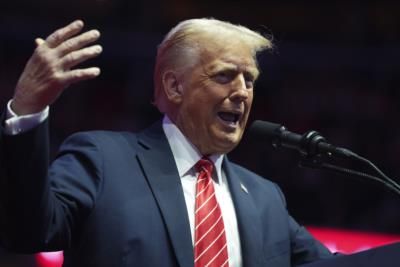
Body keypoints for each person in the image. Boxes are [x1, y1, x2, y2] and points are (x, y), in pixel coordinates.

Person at [0, 18, 333, 266]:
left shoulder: (266, 198)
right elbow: (29, 231)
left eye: (249, 80)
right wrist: (27, 110)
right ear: (175, 87)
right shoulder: (103, 160)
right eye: (224, 76)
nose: (243, 92)